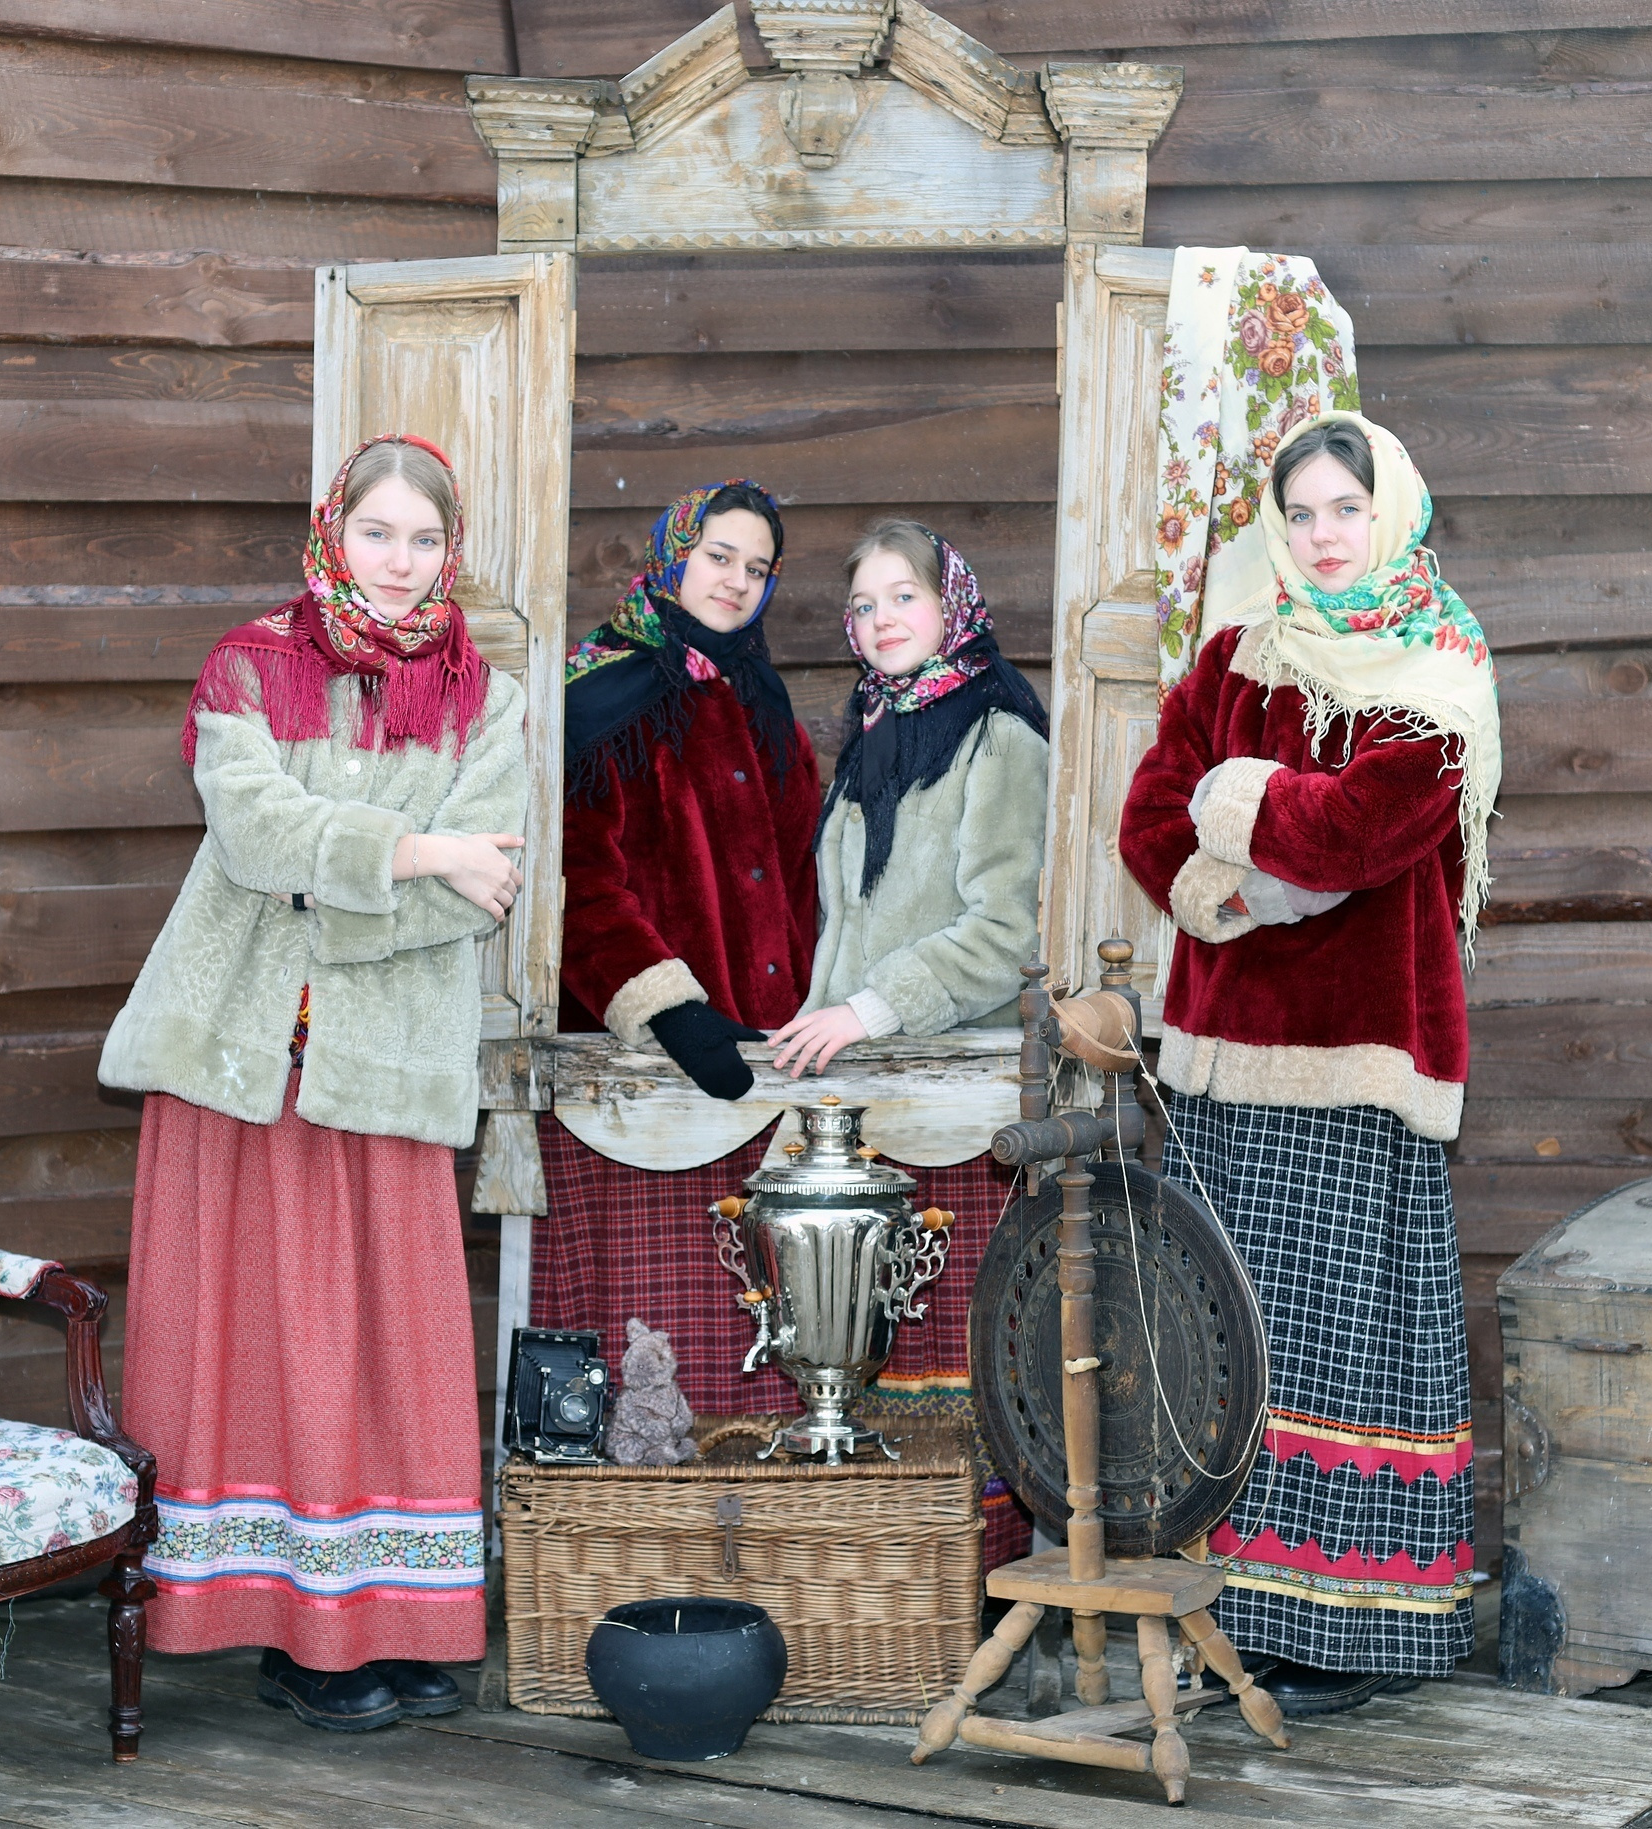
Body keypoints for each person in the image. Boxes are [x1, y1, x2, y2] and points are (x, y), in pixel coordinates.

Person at [101, 434, 529, 1733]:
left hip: (380, 1061)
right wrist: (417, 848)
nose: (398, 564)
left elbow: (485, 884)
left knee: (383, 1353)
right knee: (256, 1350)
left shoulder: (487, 700)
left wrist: (341, 881)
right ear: (332, 530)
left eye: (423, 540)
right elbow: (251, 832)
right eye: (377, 533)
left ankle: (389, 1625)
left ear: (450, 552)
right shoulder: (250, 667)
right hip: (236, 1066)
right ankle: (289, 1635)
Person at [1116, 411, 1498, 1716]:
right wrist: (1222, 890)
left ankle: (1353, 1635)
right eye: (1305, 515)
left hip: (1357, 1061)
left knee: (1341, 1337)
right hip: (1223, 1059)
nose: (1326, 536)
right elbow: (1148, 811)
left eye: (1347, 508)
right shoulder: (1237, 652)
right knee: (1236, 1345)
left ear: (1388, 513)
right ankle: (1246, 1621)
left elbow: (1357, 831)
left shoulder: (1437, 672)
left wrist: (1238, 801)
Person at [768, 519, 1048, 1563]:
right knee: (840, 1349)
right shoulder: (874, 738)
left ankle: (959, 1580)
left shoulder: (997, 735)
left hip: (950, 1112)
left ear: (953, 606)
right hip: (852, 1103)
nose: (882, 620)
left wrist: (871, 1008)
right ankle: (862, 1585)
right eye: (865, 605)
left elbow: (1002, 928)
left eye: (904, 598)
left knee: (944, 1358)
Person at [532, 480, 820, 1415]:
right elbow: (578, 878)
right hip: (647, 1079)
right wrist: (670, 1009)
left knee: (762, 1333)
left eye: (757, 568)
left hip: (767, 1068)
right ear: (673, 556)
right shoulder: (601, 695)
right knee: (657, 1332)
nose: (736, 582)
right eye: (718, 557)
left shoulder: (762, 699)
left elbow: (804, 876)